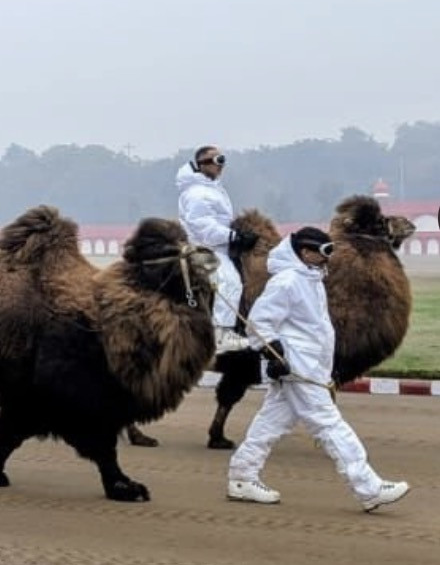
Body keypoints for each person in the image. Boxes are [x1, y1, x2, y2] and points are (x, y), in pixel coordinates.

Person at [226, 227, 410, 512]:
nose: (327, 259)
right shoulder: (287, 282)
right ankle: (368, 488)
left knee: (271, 423)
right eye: (323, 253)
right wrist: (273, 354)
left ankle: (241, 477)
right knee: (329, 424)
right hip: (299, 368)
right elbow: (259, 322)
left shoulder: (310, 280)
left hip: (311, 366)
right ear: (305, 252)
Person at [176, 145, 251, 354]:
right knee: (229, 280)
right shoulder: (197, 193)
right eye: (217, 161)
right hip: (205, 247)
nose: (221, 166)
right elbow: (202, 225)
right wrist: (233, 236)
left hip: (219, 245)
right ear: (202, 164)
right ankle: (220, 333)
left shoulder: (212, 188)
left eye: (222, 160)